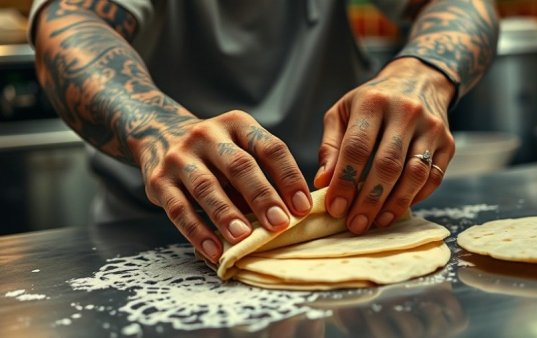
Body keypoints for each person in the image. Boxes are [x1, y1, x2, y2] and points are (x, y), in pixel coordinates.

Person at [29, 0, 498, 263]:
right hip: (157, 235)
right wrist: (155, 128)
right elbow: (70, 21)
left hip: (347, 221)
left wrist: (424, 72)